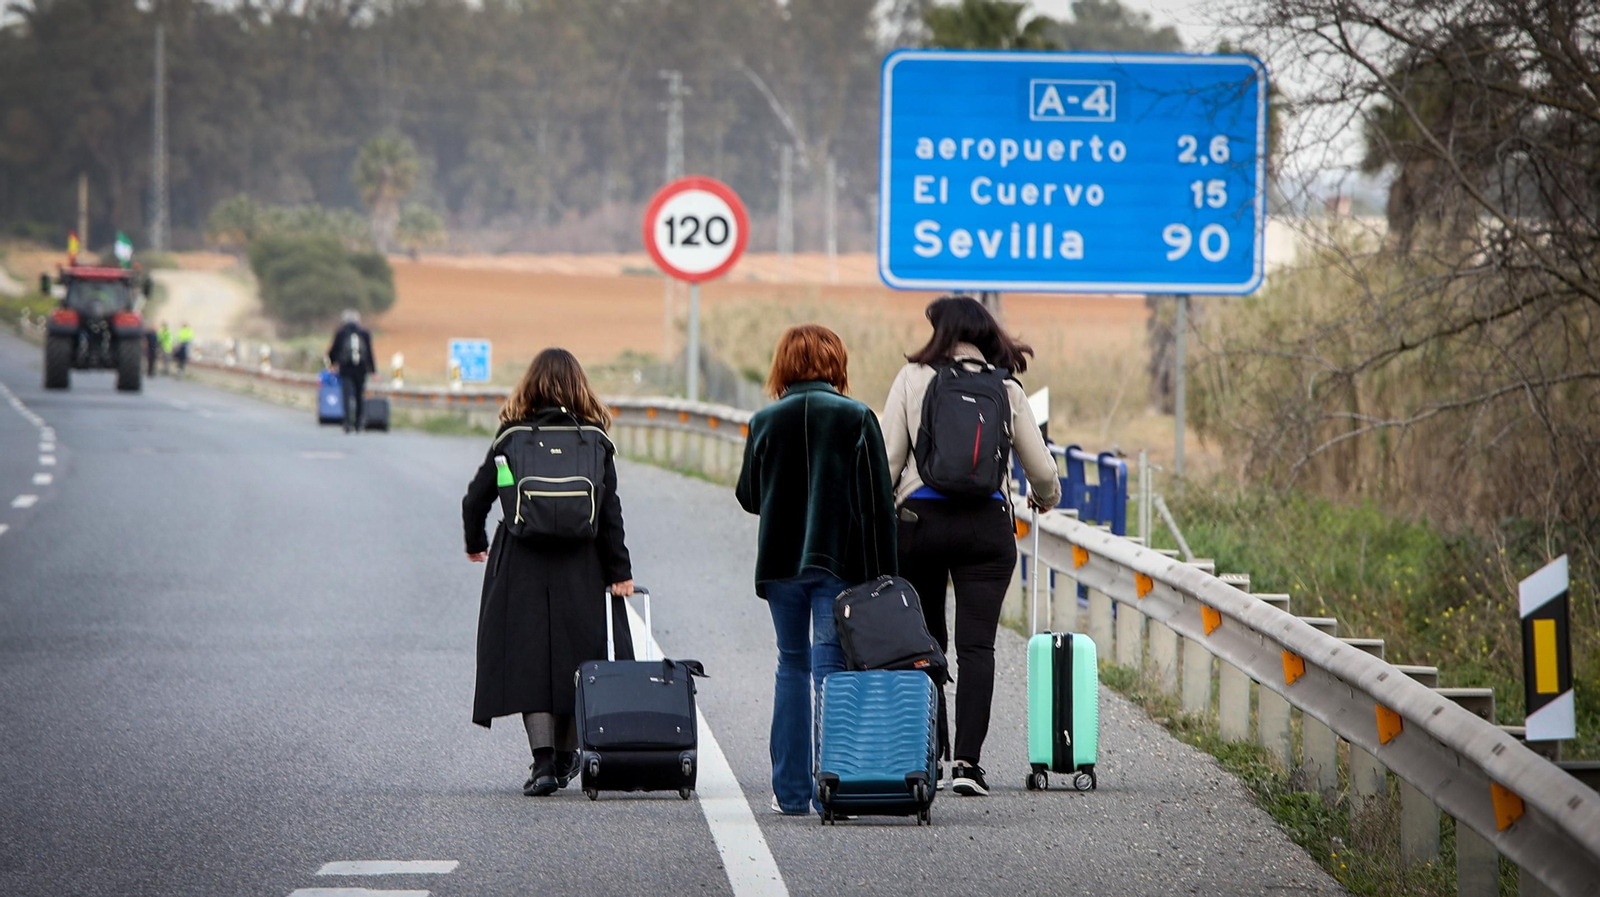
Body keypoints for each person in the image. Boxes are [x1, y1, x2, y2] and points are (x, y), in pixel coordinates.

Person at [880, 295, 1061, 798]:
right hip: (986, 528)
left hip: (920, 524)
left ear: (939, 332)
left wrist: (883, 513)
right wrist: (1045, 499)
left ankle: (929, 755)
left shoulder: (913, 378)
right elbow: (1041, 470)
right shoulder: (1005, 388)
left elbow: (888, 459)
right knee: (977, 646)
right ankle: (968, 764)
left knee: (925, 641)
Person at [735, 324, 898, 816]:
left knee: (791, 663)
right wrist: (886, 577)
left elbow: (748, 496)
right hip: (836, 564)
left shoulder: (765, 421)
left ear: (782, 365)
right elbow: (878, 505)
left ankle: (789, 794)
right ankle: (836, 788)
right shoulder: (857, 418)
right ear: (836, 364)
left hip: (780, 567)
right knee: (830, 670)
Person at [461, 348, 635, 796]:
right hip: (582, 561)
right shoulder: (594, 439)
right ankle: (564, 757)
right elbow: (609, 509)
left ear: (529, 385)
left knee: (530, 659)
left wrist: (477, 543)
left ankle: (542, 764)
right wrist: (620, 571)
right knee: (580, 659)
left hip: (521, 558)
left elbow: (476, 498)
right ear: (579, 386)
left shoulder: (511, 438)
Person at [327, 310, 376, 433]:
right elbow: (370, 353)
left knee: (347, 396)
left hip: (346, 369)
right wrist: (373, 371)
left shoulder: (341, 333)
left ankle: (347, 422)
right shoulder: (365, 333)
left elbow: (333, 351)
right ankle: (359, 423)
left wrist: (332, 364)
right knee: (360, 396)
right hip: (361, 369)